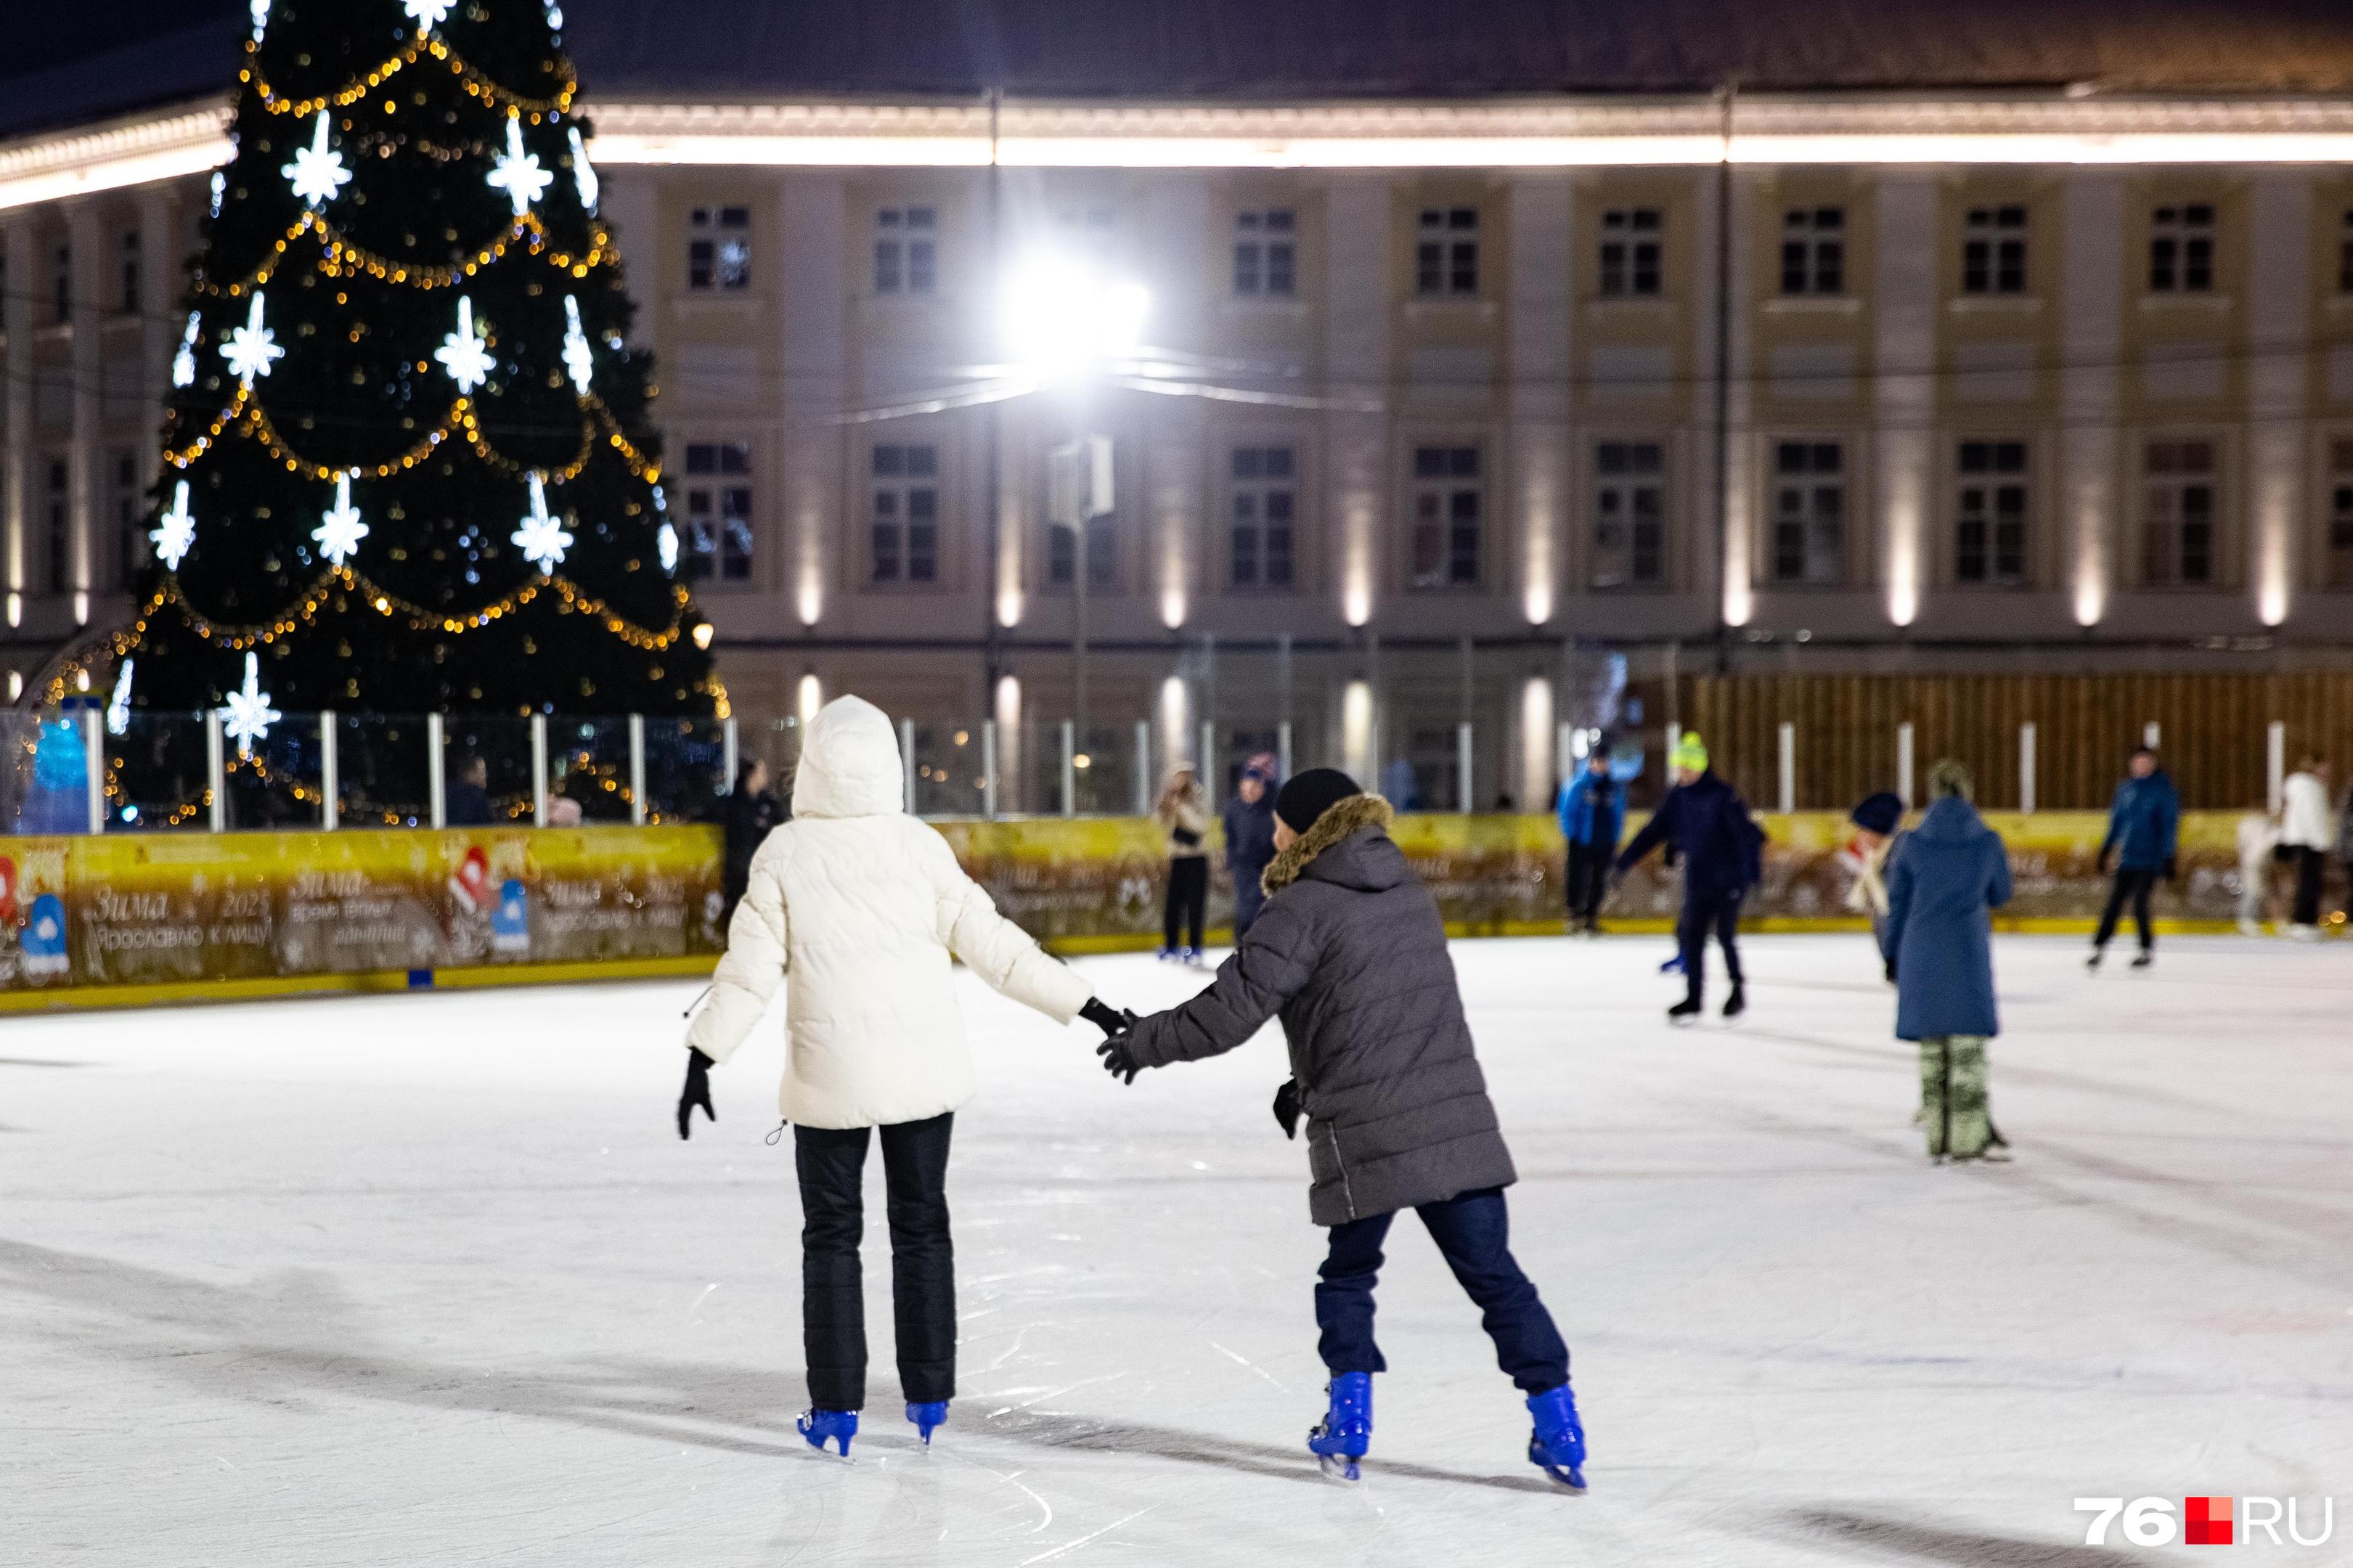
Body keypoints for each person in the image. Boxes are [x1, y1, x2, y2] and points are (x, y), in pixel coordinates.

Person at [1096, 768, 1586, 1490]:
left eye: (1280, 824)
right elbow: (1376, 1009)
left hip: (1366, 1131)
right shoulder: (1408, 893)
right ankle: (1560, 1426)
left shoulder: (1301, 909)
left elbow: (1229, 1012)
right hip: (1454, 1121)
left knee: (1348, 1275)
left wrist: (1142, 1041)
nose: (1270, 834)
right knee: (1497, 1280)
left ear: (1303, 831)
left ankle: (1349, 1421)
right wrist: (1308, 1077)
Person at [677, 696, 1131, 1457]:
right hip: (922, 1076)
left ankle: (836, 1410)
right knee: (922, 1228)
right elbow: (998, 946)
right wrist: (1084, 1002)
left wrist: (703, 1053)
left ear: (812, 768)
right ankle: (926, 1395)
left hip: (829, 1083)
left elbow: (748, 972)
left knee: (831, 1238)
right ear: (889, 765)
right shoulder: (920, 847)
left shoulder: (784, 852)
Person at [1885, 760, 2013, 1164]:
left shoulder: (1911, 844)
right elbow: (2000, 894)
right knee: (1968, 1049)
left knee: (1932, 1046)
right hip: (1966, 950)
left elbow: (1897, 905)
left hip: (1920, 950)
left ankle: (1938, 1140)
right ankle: (1968, 1138)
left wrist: (1892, 955)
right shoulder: (1987, 841)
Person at [1613, 732, 1765, 1022]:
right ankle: (1694, 999)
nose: (1682, 773)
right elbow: (1653, 832)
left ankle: (1737, 991)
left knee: (1724, 935)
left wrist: (1753, 879)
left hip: (1729, 878)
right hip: (1699, 879)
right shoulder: (1677, 797)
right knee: (1692, 938)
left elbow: (1747, 838)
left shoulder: (1723, 796)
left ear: (1700, 767)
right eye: (1679, 767)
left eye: (1688, 767)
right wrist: (1622, 864)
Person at [2089, 746, 2179, 971]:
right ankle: (2099, 948)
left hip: (2151, 859)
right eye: (2136, 762)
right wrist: (2106, 848)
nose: (2140, 766)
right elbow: (2117, 821)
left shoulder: (2163, 791)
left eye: (2144, 762)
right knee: (2114, 903)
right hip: (2128, 858)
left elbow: (2169, 826)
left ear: (2152, 764)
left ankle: (2145, 949)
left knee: (2140, 904)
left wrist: (2168, 856)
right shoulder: (2126, 789)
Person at [1555, 750, 1624, 936]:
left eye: (1605, 762)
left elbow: (1618, 813)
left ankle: (1590, 917)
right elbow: (1567, 811)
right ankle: (1573, 916)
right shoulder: (1579, 785)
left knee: (1598, 880)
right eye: (1598, 762)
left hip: (1603, 841)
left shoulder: (1613, 788)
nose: (1602, 765)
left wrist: (1614, 837)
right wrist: (1573, 835)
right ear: (1591, 763)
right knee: (1576, 878)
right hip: (1581, 841)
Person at [1222, 754, 1281, 940]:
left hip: (1267, 867)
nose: (1251, 791)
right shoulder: (1235, 809)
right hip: (1244, 868)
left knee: (1262, 909)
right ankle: (1243, 946)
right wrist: (1232, 858)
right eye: (1247, 786)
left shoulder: (1272, 809)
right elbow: (1230, 836)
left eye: (1256, 786)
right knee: (1244, 910)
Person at [1156, 764, 1211, 963]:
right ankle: (1172, 945)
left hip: (1196, 856)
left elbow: (1202, 824)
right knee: (1172, 904)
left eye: (1183, 776)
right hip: (1177, 857)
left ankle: (1195, 946)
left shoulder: (1198, 795)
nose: (1179, 780)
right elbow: (1161, 823)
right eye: (1176, 776)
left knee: (1195, 904)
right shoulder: (1169, 796)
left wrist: (1182, 807)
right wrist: (1164, 806)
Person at [1845, 792, 1907, 961]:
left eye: (1863, 830)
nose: (1858, 836)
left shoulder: (1898, 859)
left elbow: (1897, 912)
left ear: (1878, 830)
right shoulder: (1877, 861)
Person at [718, 757, 778, 929]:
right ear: (751, 776)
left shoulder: (768, 804)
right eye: (762, 772)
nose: (765, 777)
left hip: (760, 871)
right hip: (740, 872)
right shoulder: (735, 806)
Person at [2280, 754, 2334, 941]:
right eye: (2325, 766)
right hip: (2309, 841)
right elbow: (2312, 818)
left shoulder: (2304, 786)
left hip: (2302, 840)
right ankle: (2303, 922)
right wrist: (2323, 842)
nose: (2328, 771)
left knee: (2307, 882)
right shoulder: (2309, 787)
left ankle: (2304, 921)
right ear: (2316, 766)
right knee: (2309, 883)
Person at [2237, 803, 2281, 936]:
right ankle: (2247, 921)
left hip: (2251, 861)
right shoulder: (2266, 827)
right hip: (2257, 862)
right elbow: (2268, 844)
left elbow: (2242, 846)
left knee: (2257, 891)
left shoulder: (2246, 825)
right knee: (2254, 892)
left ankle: (2249, 921)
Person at [446, 754, 495, 827]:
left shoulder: (446, 792)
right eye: (483, 773)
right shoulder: (477, 797)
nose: (485, 777)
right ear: (471, 774)